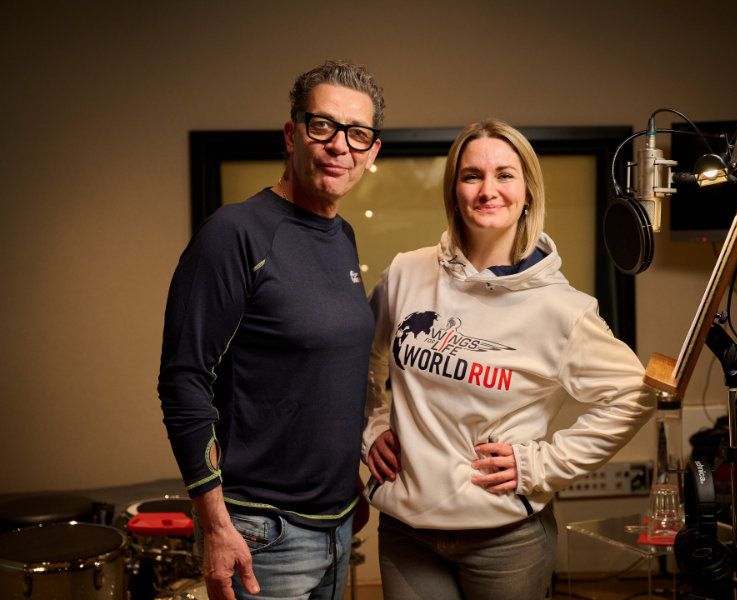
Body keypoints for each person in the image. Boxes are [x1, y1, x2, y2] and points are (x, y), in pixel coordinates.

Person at [363, 119, 654, 600]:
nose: (487, 190)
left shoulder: (561, 309)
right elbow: (358, 355)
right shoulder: (406, 272)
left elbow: (634, 394)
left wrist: (542, 465)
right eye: (471, 175)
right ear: (454, 191)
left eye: (504, 175)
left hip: (505, 541)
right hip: (407, 531)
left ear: (528, 192)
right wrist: (372, 426)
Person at [158, 60, 384, 600]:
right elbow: (184, 380)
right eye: (322, 125)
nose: (339, 146)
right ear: (291, 134)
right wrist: (215, 523)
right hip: (261, 532)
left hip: (337, 524)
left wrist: (347, 479)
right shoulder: (234, 233)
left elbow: (322, 373)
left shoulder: (342, 236)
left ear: (372, 151)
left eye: (357, 134)